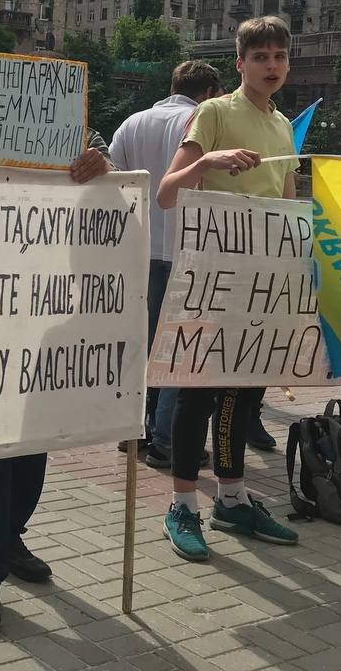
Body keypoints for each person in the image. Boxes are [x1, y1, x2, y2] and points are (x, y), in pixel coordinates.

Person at [156, 15, 301, 562]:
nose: (271, 65)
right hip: (210, 277)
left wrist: (295, 267)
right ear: (240, 63)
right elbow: (166, 192)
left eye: (280, 56)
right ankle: (182, 505)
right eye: (260, 56)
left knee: (245, 393)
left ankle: (233, 498)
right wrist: (209, 160)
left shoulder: (283, 125)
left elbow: (287, 203)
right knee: (197, 393)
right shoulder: (214, 112)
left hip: (261, 280)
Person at [0, 141, 115, 629]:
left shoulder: (67, 142)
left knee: (33, 441)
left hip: (47, 311)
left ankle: (9, 537)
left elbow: (111, 205)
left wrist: (105, 170)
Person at [109, 61, 222, 469]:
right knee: (177, 346)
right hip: (184, 248)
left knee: (142, 342)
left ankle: (132, 429)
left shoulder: (132, 123)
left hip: (138, 248)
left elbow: (112, 178)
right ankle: (165, 440)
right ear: (208, 91)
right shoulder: (203, 122)